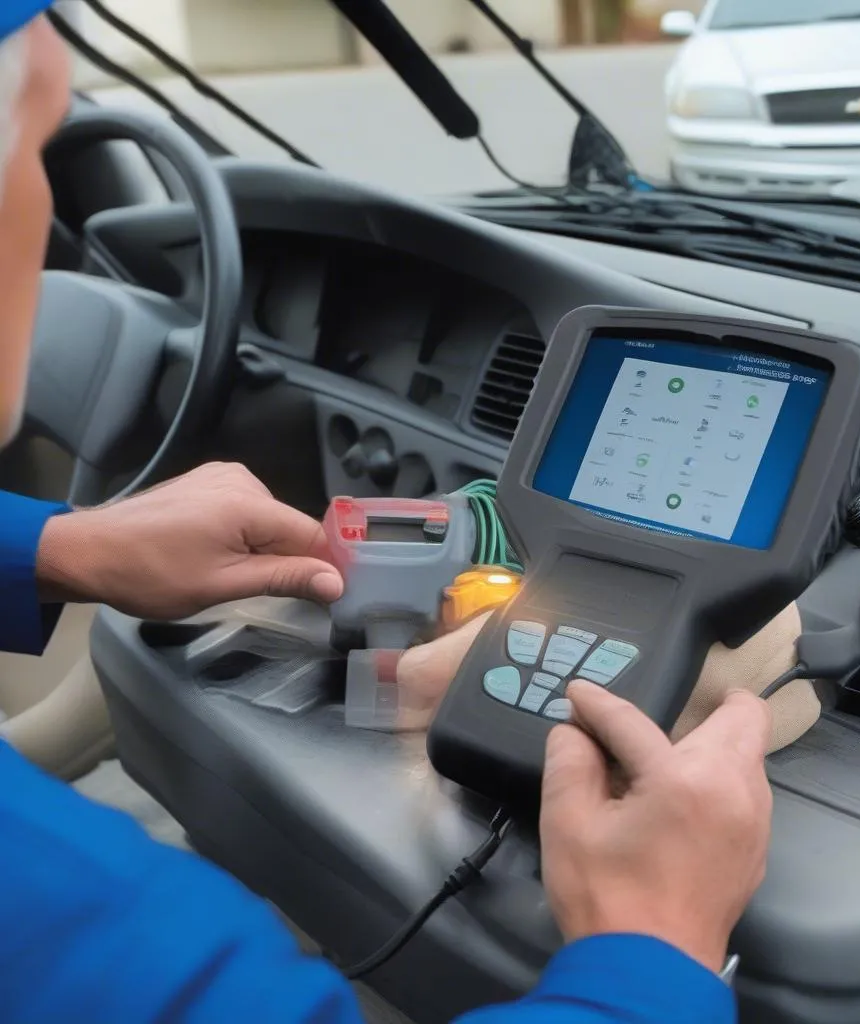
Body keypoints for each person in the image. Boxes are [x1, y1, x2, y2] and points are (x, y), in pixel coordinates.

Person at [0, 4, 774, 1022]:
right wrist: (654, 949)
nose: (43, 201)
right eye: (32, 141)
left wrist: (54, 545)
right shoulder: (84, 925)